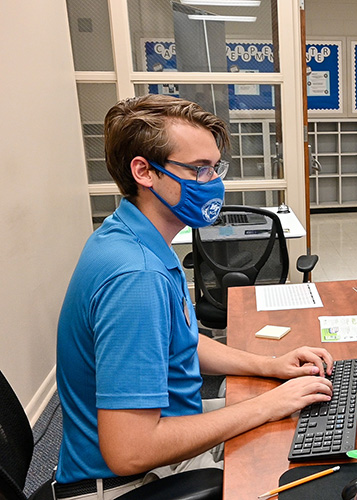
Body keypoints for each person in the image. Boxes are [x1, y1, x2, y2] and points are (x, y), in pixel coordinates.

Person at [55, 94, 334, 499]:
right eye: (199, 169)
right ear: (144, 172)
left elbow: (180, 340)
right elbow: (129, 452)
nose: (214, 183)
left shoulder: (131, 236)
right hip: (130, 482)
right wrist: (267, 405)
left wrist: (272, 367)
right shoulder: (137, 277)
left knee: (296, 413)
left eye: (215, 167)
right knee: (311, 469)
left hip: (160, 433)